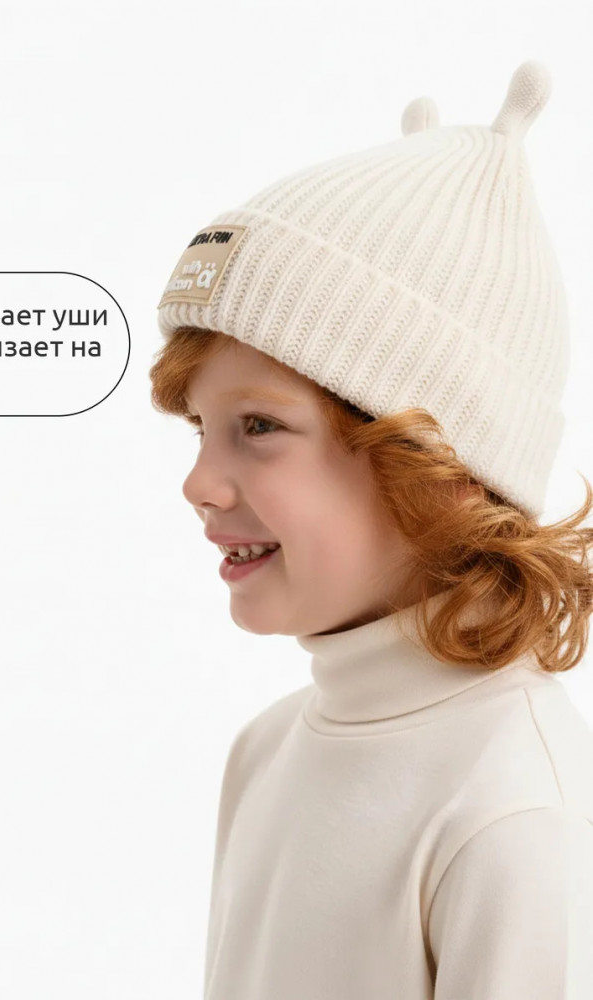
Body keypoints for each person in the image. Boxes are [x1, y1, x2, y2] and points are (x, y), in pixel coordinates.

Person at [149, 58, 593, 999]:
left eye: (257, 427)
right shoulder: (266, 751)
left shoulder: (512, 807)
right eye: (199, 427)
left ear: (440, 472)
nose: (198, 483)